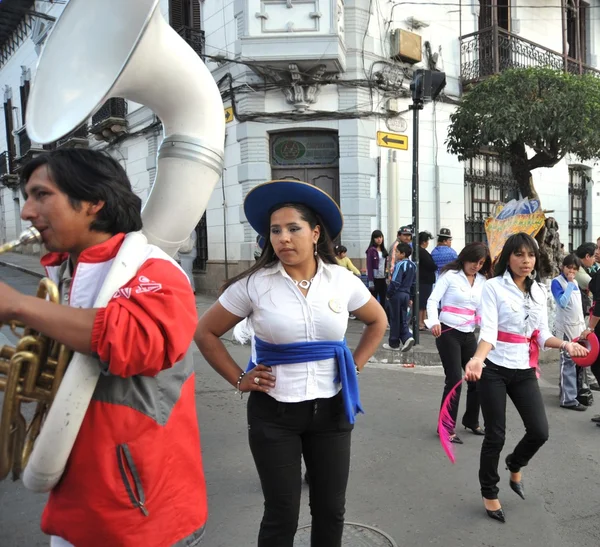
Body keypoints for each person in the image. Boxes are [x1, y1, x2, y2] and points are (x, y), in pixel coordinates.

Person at [0, 149, 206, 546]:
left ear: (94, 202)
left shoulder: (155, 270)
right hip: (75, 497)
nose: (27, 212)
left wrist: (19, 306)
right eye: (27, 197)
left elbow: (137, 342)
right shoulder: (63, 271)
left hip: (141, 515)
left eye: (41, 195)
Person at [193, 179, 387, 547]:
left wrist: (354, 367)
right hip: (274, 415)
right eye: (275, 230)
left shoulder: (341, 280)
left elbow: (378, 321)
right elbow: (205, 333)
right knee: (282, 513)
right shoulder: (254, 285)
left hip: (332, 411)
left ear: (315, 234)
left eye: (293, 228)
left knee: (331, 510)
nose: (283, 238)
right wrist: (239, 378)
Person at [464, 233, 588, 523]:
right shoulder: (493, 287)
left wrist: (566, 344)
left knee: (539, 431)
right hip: (493, 367)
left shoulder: (539, 290)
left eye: (530, 255)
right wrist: (477, 359)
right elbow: (490, 333)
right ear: (508, 257)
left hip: (523, 369)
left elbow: (541, 333)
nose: (526, 261)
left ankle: (515, 463)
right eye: (519, 254)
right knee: (495, 434)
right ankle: (489, 492)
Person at [427, 242, 491, 444]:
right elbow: (432, 300)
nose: (476, 266)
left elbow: (482, 308)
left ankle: (471, 420)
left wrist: (485, 328)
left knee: (478, 377)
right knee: (454, 379)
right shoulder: (450, 276)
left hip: (469, 334)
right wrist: (434, 322)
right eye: (474, 261)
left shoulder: (482, 281)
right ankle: (445, 427)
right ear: (464, 258)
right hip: (448, 332)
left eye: (481, 263)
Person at [551, 254, 587, 411]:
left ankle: (568, 392)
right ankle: (568, 399)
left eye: (574, 269)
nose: (571, 271)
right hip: (565, 329)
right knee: (568, 363)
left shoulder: (576, 282)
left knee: (577, 362)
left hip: (578, 328)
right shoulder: (556, 282)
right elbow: (562, 302)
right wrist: (571, 285)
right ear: (562, 267)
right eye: (569, 267)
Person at [383, 242, 415, 352]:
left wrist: (388, 294)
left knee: (394, 318)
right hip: (406, 294)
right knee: (403, 318)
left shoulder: (400, 265)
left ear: (403, 254)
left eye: (397, 252)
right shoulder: (413, 265)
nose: (395, 254)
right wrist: (411, 297)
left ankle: (394, 343)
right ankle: (407, 337)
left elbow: (395, 281)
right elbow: (414, 283)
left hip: (397, 294)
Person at [417, 231, 436, 330]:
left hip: (425, 280)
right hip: (424, 280)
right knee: (423, 302)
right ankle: (420, 322)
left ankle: (423, 321)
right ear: (424, 242)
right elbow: (431, 265)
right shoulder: (422, 252)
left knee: (424, 302)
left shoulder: (421, 251)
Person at [366, 229, 389, 308]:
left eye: (380, 237)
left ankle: (383, 317)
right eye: (377, 238)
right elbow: (369, 266)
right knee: (374, 300)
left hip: (383, 278)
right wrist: (370, 281)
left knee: (383, 299)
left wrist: (387, 276)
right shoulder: (371, 250)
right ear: (373, 239)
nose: (379, 239)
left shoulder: (383, 250)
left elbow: (385, 265)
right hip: (375, 278)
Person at [178, 228, 197, 293]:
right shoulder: (192, 230)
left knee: (187, 272)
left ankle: (191, 289)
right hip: (189, 253)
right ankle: (190, 288)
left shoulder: (189, 230)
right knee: (187, 272)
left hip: (187, 254)